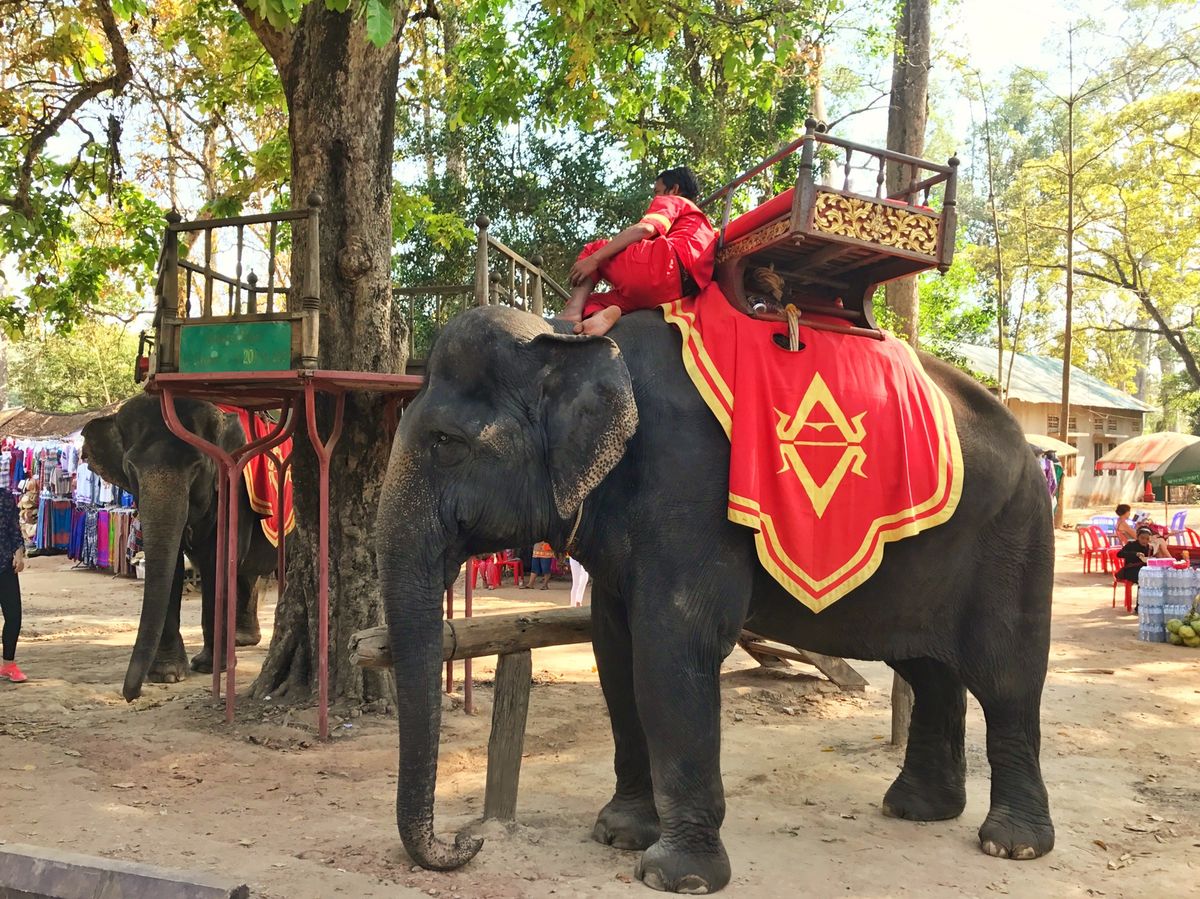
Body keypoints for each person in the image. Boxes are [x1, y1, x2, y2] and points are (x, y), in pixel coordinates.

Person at [560, 167, 716, 337]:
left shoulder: (676, 201)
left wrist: (594, 259)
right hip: (676, 294)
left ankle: (571, 312)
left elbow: (645, 229)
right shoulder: (704, 227)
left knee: (595, 250)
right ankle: (598, 317)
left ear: (674, 189)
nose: (655, 197)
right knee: (593, 301)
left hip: (661, 266)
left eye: (657, 192)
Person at [0, 487, 27, 683]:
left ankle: (8, 664)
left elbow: (13, 528)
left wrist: (19, 554)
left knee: (14, 616)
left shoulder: (5, 497)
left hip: (4, 564)